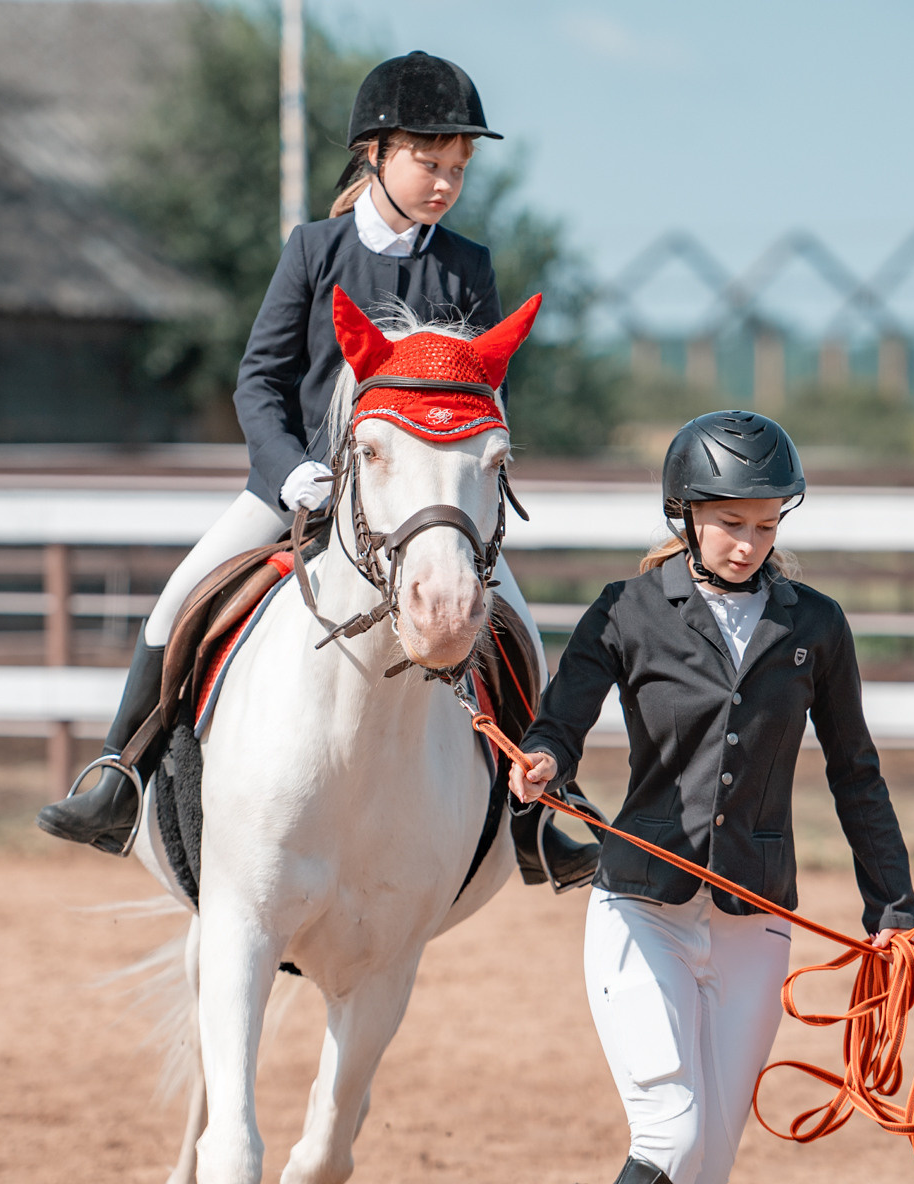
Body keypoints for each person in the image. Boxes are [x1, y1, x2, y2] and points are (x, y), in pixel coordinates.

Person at [38, 50, 597, 886]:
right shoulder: (314, 249)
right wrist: (290, 469)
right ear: (376, 153)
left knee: (517, 630)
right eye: (428, 163)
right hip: (299, 485)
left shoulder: (468, 267)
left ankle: (535, 818)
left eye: (457, 168)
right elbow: (258, 379)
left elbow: (483, 393)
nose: (444, 183)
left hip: (420, 507)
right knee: (180, 598)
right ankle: (119, 773)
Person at [507, 411, 914, 1184]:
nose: (750, 543)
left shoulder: (815, 626)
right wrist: (543, 759)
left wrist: (890, 906)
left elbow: (856, 769)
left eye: (768, 525)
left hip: (755, 919)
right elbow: (562, 719)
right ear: (685, 513)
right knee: (671, 1136)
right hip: (641, 909)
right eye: (733, 523)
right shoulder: (625, 610)